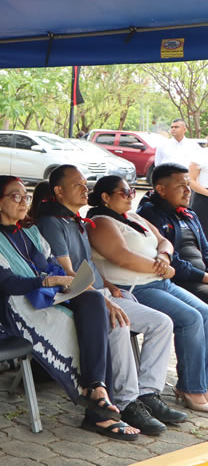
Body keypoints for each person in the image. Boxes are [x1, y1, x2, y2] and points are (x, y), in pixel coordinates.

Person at [0, 175, 139, 440]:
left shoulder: (30, 232)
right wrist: (52, 280)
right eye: (16, 196)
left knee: (94, 302)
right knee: (82, 324)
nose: (24, 202)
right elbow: (4, 283)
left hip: (48, 298)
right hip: (18, 309)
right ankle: (100, 412)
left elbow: (51, 266)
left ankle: (96, 389)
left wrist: (65, 281)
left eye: (26, 196)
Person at [32, 166, 176, 434]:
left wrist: (108, 286)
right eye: (77, 185)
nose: (85, 188)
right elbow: (68, 273)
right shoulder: (52, 222)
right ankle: (127, 402)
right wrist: (105, 299)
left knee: (162, 323)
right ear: (59, 191)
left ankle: (148, 394)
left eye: (85, 183)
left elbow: (89, 265)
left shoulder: (77, 220)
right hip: (81, 298)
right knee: (119, 325)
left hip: (101, 292)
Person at [85, 175, 197, 421]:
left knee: (203, 314)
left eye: (132, 191)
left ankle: (159, 392)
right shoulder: (100, 221)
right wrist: (160, 268)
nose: (130, 196)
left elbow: (164, 241)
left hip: (160, 280)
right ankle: (182, 391)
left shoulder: (134, 216)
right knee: (186, 318)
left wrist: (164, 258)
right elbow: (121, 256)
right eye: (124, 192)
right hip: (135, 287)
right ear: (106, 197)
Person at [138, 163, 208, 303]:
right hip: (177, 280)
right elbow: (172, 261)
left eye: (188, 184)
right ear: (161, 190)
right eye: (181, 186)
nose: (188, 190)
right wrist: (204, 277)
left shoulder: (189, 214)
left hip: (200, 277)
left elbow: (205, 250)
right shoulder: (150, 215)